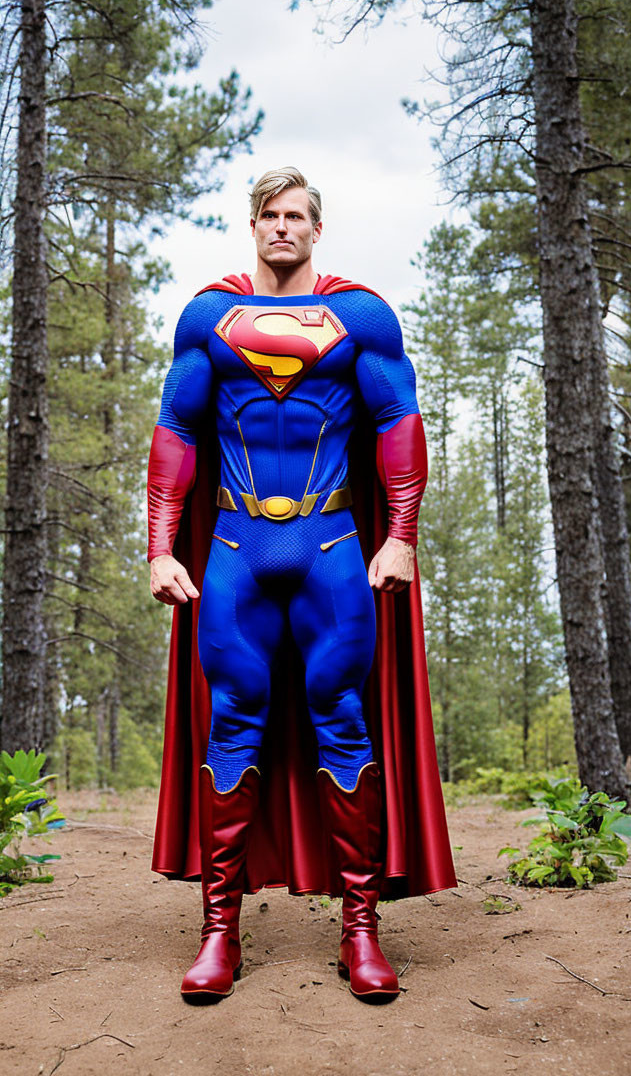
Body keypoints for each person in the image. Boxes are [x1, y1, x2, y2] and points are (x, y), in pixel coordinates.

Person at [146, 167, 455, 1005]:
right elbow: (176, 427)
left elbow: (399, 421)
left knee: (343, 719)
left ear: (316, 229)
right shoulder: (208, 315)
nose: (283, 228)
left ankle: (360, 931)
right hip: (238, 547)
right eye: (269, 216)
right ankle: (219, 932)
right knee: (233, 720)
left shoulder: (361, 315)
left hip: (331, 546)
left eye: (296, 216)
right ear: (253, 227)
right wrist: (158, 547)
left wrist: (401, 537)